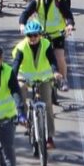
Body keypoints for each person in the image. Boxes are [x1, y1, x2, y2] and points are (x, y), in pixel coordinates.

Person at [11, 19, 63, 147]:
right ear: (26, 36)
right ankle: (24, 116)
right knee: (21, 89)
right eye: (29, 35)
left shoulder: (46, 44)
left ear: (40, 35)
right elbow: (16, 65)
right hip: (25, 77)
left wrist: (55, 72)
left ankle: (49, 137)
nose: (33, 38)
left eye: (35, 35)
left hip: (44, 78)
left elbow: (52, 60)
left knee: (48, 105)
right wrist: (11, 79)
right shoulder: (21, 47)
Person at [19, 0, 74, 84]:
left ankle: (63, 80)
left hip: (57, 34)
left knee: (59, 57)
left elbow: (68, 15)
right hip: (40, 35)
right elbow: (25, 14)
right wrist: (22, 24)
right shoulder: (36, 0)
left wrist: (69, 25)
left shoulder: (59, 0)